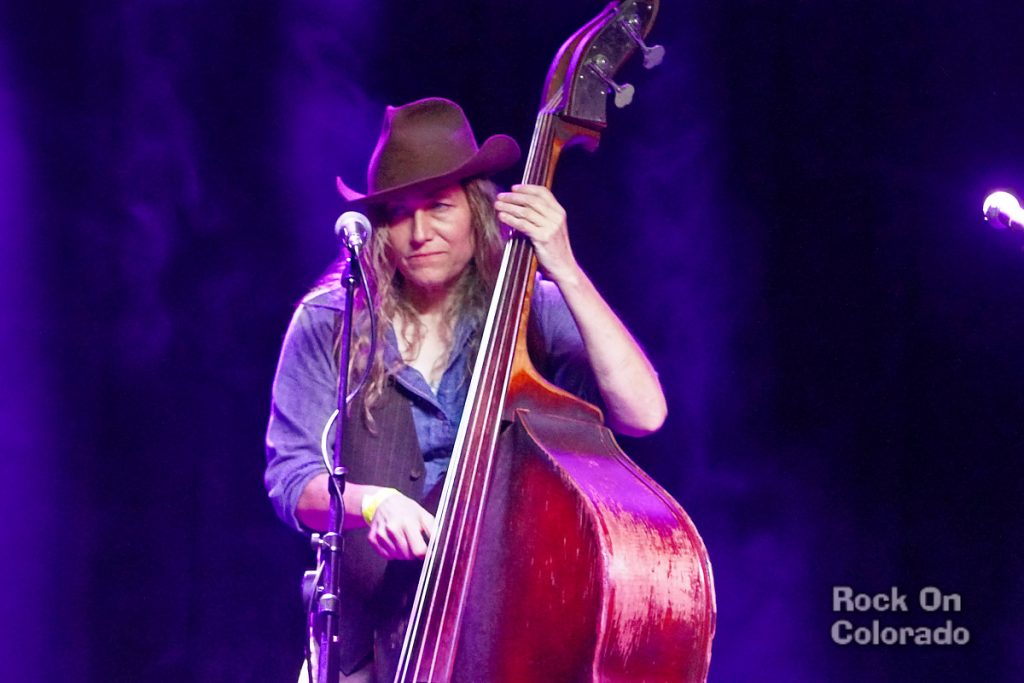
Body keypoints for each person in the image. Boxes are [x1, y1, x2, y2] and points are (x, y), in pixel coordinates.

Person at [265, 97, 667, 682]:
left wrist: (565, 267)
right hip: (366, 642)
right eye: (399, 214)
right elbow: (291, 480)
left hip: (508, 624)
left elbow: (643, 413)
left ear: (478, 210)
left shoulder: (531, 310)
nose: (420, 232)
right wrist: (371, 503)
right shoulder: (331, 319)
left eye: (439, 207)